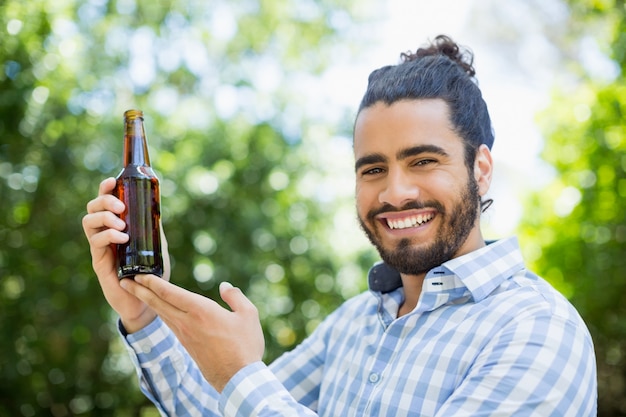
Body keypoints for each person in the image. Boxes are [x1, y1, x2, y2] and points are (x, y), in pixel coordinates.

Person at [82, 35, 597, 416]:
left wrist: (242, 374)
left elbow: (245, 394)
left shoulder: (537, 333)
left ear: (480, 169)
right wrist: (142, 309)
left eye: (423, 161)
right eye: (373, 169)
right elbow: (225, 409)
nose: (395, 192)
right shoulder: (356, 322)